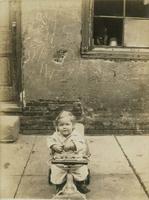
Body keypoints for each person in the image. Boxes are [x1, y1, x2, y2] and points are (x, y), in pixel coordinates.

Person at [47, 111, 90, 194]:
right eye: (61, 125)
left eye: (67, 124)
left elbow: (82, 144)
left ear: (73, 126)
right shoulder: (56, 135)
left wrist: (73, 145)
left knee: (81, 171)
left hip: (76, 160)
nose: (64, 127)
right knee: (57, 172)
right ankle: (60, 185)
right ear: (57, 127)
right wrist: (53, 146)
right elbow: (49, 140)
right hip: (60, 160)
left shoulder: (76, 135)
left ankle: (80, 184)